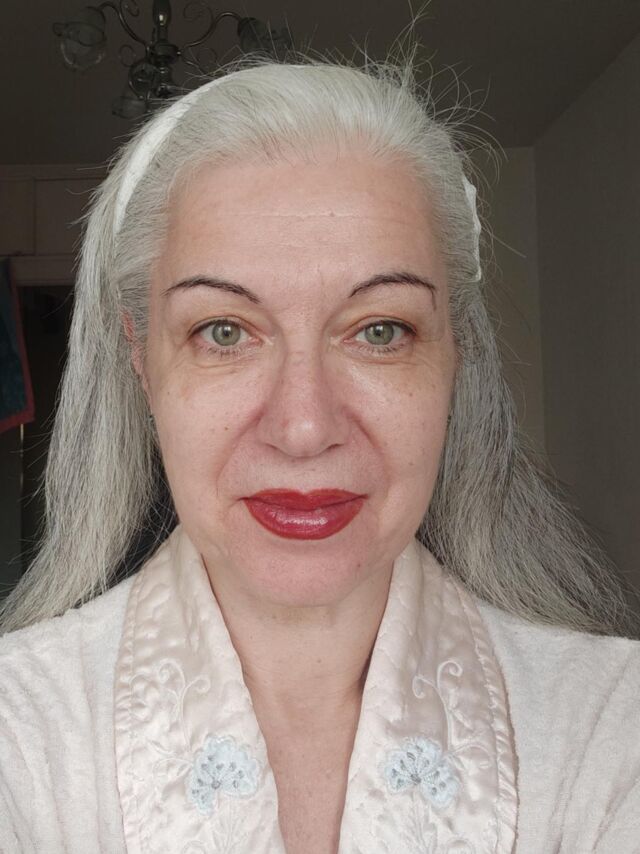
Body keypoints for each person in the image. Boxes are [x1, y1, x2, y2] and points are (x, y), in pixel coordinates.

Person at [0, 57, 639, 854]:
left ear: (458, 353)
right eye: (223, 332)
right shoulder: (18, 741)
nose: (304, 428)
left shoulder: (615, 733)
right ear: (140, 355)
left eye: (380, 330)